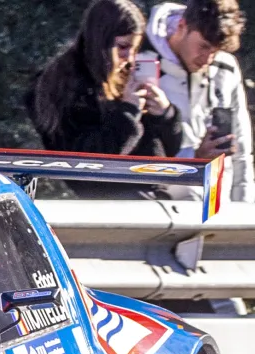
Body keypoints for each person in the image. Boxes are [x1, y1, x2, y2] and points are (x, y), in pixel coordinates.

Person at [26, 0, 183, 197]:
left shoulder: (125, 77)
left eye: (135, 49)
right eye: (123, 47)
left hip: (150, 191)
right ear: (101, 42)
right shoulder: (64, 86)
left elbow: (167, 149)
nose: (130, 59)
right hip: (107, 199)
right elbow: (90, 162)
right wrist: (127, 112)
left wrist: (165, 115)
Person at [139, 1, 253, 203]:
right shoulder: (140, 63)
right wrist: (194, 158)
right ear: (181, 26)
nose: (208, 58)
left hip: (218, 202)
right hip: (163, 208)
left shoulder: (226, 66)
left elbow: (241, 150)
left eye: (216, 51)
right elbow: (133, 154)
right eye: (204, 46)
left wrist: (244, 211)